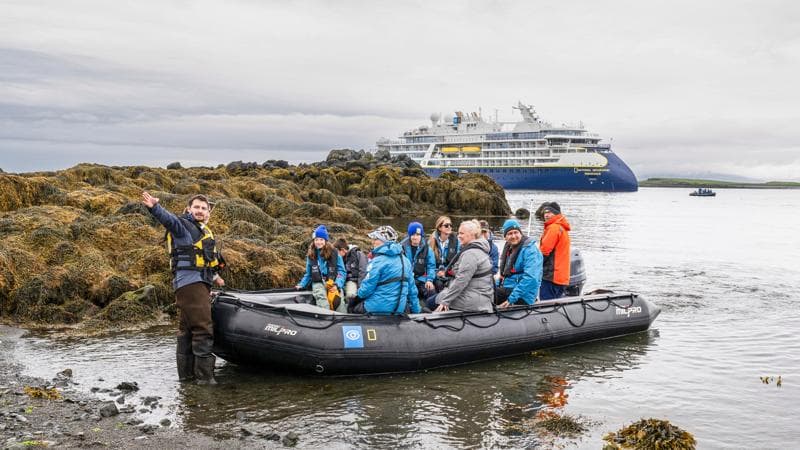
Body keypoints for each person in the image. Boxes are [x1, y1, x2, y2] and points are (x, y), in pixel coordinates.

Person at [141, 191, 225, 384]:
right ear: (189, 209)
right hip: (190, 284)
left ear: (209, 212)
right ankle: (205, 381)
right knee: (203, 329)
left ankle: (186, 379)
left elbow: (207, 260)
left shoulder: (204, 232)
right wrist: (155, 208)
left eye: (204, 208)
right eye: (196, 207)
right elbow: (169, 220)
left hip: (195, 284)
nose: (200, 211)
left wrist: (215, 277)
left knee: (186, 330)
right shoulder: (183, 227)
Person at [350, 226, 420, 315]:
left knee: (352, 307)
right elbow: (412, 291)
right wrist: (417, 312)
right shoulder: (406, 261)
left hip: (377, 309)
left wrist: (355, 298)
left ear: (383, 241)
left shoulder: (377, 261)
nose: (373, 241)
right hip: (399, 310)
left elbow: (366, 289)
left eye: (376, 238)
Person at [429, 220, 494, 313]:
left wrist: (445, 301)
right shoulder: (478, 249)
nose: (458, 236)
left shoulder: (470, 254)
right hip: (478, 294)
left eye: (461, 233)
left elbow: (461, 280)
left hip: (474, 298)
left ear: (471, 234)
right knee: (438, 294)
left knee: (431, 301)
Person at [295, 225, 347, 312]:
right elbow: (308, 274)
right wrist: (302, 284)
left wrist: (337, 284)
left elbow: (342, 272)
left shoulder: (335, 254)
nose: (319, 242)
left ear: (325, 240)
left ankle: (342, 321)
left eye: (321, 239)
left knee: (339, 303)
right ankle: (325, 319)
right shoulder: (311, 255)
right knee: (322, 299)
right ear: (313, 241)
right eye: (316, 239)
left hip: (332, 282)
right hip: (318, 282)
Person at [496, 219, 543, 307]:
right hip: (509, 288)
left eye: (516, 232)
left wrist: (511, 299)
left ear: (520, 233)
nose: (513, 236)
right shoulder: (509, 248)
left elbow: (531, 278)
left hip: (524, 295)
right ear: (505, 237)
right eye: (510, 234)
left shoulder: (530, 250)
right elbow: (503, 275)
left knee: (489, 294)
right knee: (486, 290)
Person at [537, 202, 571, 300]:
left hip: (551, 276)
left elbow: (544, 252)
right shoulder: (562, 228)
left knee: (546, 306)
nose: (546, 215)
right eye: (545, 212)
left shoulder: (554, 228)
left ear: (556, 214)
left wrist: (532, 267)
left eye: (549, 212)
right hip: (562, 277)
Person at [400, 221, 436, 307]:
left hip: (421, 279)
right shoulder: (402, 247)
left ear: (421, 236)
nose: (415, 237)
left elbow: (431, 266)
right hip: (407, 279)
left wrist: (429, 280)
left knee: (431, 292)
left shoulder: (427, 248)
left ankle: (430, 310)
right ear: (409, 235)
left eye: (417, 235)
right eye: (412, 234)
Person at [429, 215, 460, 291]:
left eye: (450, 225)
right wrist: (436, 273)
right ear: (439, 228)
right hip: (435, 274)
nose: (449, 227)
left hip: (450, 273)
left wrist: (445, 272)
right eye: (446, 225)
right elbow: (429, 263)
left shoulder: (456, 241)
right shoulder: (431, 241)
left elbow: (459, 261)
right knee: (438, 285)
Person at [333, 237, 368, 302]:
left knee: (350, 295)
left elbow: (363, 271)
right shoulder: (341, 258)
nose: (335, 255)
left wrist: (361, 287)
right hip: (343, 281)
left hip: (355, 281)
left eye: (337, 252)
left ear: (343, 250)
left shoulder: (358, 254)